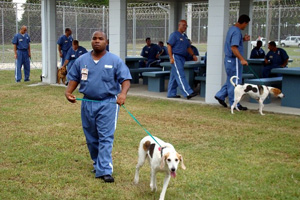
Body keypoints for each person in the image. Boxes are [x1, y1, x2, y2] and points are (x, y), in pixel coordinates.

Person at [65, 31, 131, 183]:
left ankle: (105, 170)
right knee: (91, 137)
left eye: (100, 39)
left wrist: (123, 94)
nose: (97, 41)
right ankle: (97, 163)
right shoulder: (82, 60)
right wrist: (68, 92)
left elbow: (126, 79)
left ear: (106, 42)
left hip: (108, 103)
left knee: (105, 136)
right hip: (88, 103)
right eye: (94, 38)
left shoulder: (114, 60)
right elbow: (74, 78)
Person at [214, 14, 251, 110]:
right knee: (236, 82)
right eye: (246, 25)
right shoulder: (237, 32)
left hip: (228, 60)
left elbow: (234, 43)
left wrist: (243, 40)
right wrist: (242, 59)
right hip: (234, 60)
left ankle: (220, 95)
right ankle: (235, 104)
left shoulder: (232, 29)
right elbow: (234, 47)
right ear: (244, 23)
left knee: (231, 80)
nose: (245, 27)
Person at [167, 19, 198, 99]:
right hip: (176, 57)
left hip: (182, 58)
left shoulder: (184, 37)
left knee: (174, 76)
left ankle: (171, 93)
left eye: (186, 26)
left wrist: (193, 55)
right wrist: (171, 57)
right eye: (183, 25)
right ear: (179, 25)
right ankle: (188, 92)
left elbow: (188, 47)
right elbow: (169, 46)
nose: (185, 27)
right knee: (181, 75)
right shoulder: (174, 35)